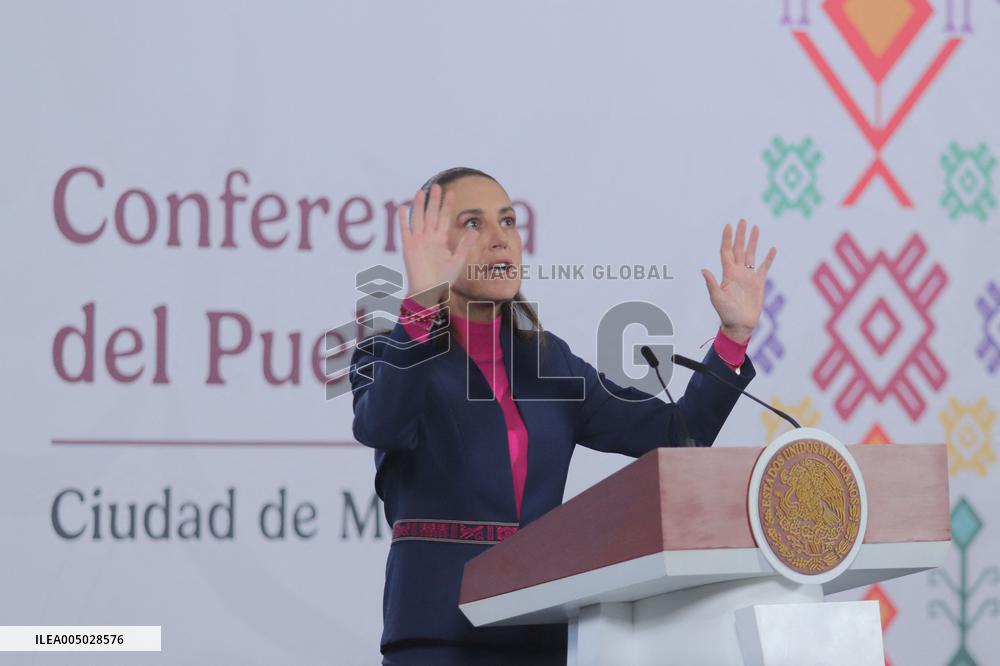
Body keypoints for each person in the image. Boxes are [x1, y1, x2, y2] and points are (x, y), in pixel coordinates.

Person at [348, 167, 777, 665]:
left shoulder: (549, 362)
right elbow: (380, 424)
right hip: (437, 638)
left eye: (508, 222)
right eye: (473, 224)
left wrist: (732, 338)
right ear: (431, 247)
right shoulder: (390, 352)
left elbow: (679, 435)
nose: (499, 240)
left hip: (542, 636)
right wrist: (421, 306)